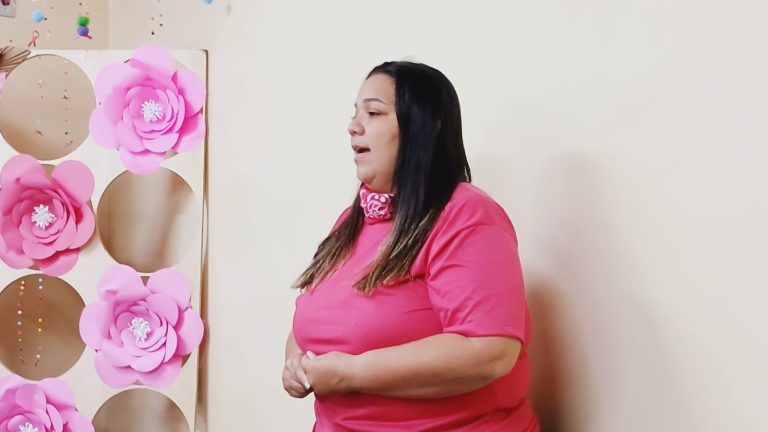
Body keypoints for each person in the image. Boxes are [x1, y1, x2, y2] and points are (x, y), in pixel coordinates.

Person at [283, 61, 540, 431]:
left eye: (373, 113)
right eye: (355, 114)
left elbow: (490, 351)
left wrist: (351, 374)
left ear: (427, 127)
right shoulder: (351, 220)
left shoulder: (466, 214)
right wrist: (296, 363)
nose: (353, 126)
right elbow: (313, 321)